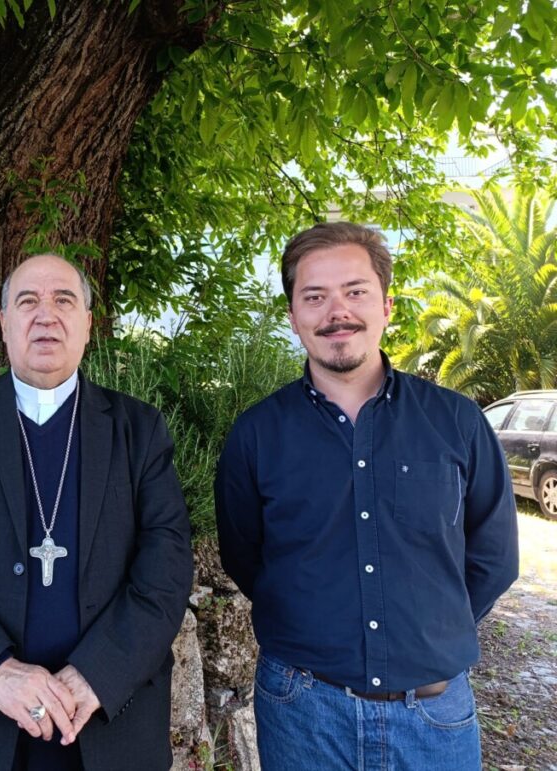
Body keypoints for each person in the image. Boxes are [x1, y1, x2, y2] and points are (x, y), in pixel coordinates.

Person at [215, 221, 519, 770]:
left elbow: (493, 558)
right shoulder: (256, 434)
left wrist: (429, 631)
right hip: (302, 714)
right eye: (315, 296)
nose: (337, 312)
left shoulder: (458, 423)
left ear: (387, 306)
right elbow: (245, 557)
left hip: (435, 719)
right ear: (293, 316)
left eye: (355, 291)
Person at [0, 253, 193, 771]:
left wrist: (98, 673)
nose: (45, 314)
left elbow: (165, 571)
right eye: (27, 301)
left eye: (64, 300)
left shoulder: (139, 429)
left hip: (106, 718)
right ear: (4, 322)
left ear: (87, 324)